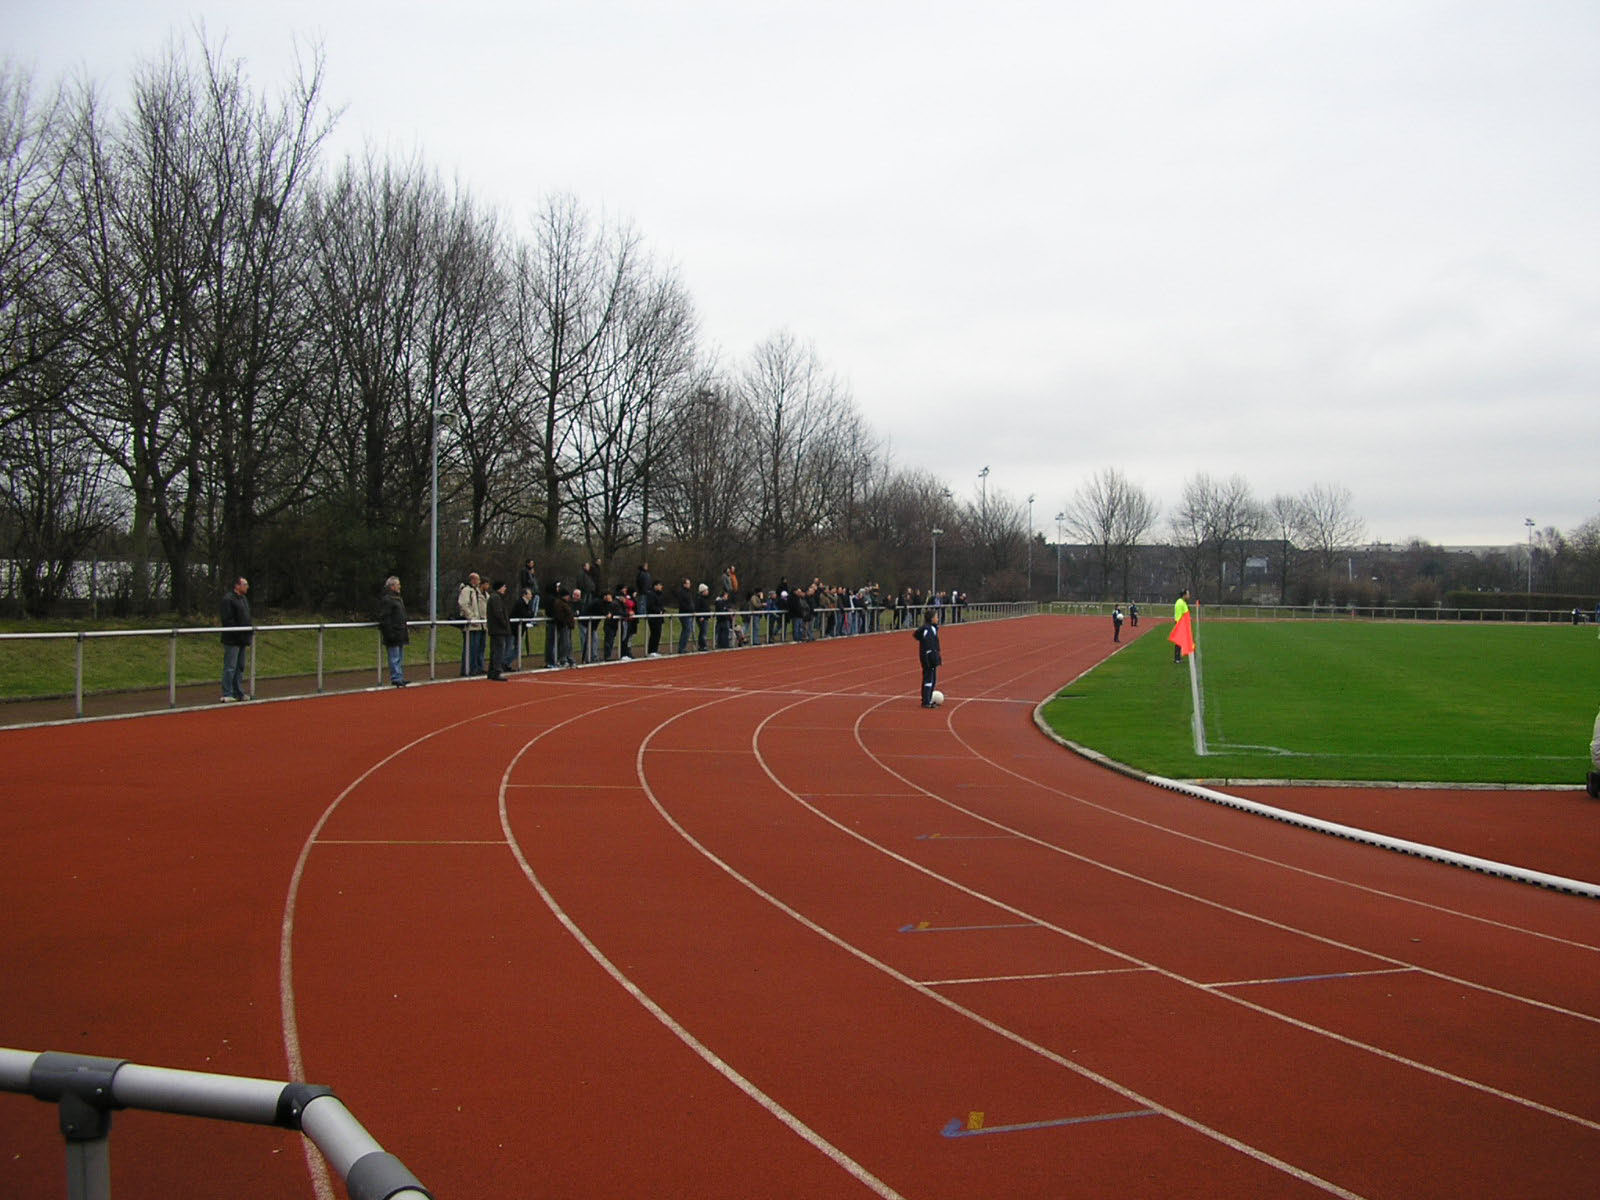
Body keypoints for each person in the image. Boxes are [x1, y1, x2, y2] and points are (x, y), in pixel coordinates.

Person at [219, 576, 252, 701]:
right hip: (232, 639)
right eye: (245, 584)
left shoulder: (244, 599)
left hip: (242, 638)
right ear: (237, 585)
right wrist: (238, 632)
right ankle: (227, 693)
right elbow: (227, 620)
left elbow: (246, 617)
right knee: (230, 667)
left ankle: (238, 692)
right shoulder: (228, 599)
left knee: (240, 666)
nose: (247, 587)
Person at [378, 575, 409, 686]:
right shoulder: (388, 599)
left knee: (399, 657)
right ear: (392, 586)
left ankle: (399, 676)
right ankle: (396, 677)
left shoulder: (397, 598)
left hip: (400, 632)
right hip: (393, 632)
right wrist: (389, 632)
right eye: (398, 584)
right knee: (394, 657)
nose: (400, 586)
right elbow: (385, 618)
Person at [458, 572, 486, 675]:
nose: (479, 582)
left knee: (478, 648)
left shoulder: (477, 591)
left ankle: (477, 668)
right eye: (478, 579)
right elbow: (463, 604)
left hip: (480, 624)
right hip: (471, 625)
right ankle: (468, 669)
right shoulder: (466, 590)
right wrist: (472, 617)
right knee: (471, 648)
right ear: (473, 580)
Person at [913, 608, 942, 708]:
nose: (938, 619)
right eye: (936, 617)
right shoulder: (928, 629)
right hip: (929, 658)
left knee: (932, 678)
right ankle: (926, 701)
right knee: (929, 679)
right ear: (931, 618)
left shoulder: (931, 628)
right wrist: (931, 657)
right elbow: (929, 645)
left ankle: (928, 698)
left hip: (930, 657)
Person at [485, 579, 512, 681]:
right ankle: (496, 671)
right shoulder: (496, 598)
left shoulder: (495, 597)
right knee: (498, 651)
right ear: (499, 588)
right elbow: (498, 613)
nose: (505, 588)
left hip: (496, 629)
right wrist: (505, 624)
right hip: (498, 629)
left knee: (494, 651)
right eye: (504, 587)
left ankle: (492, 672)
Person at [1173, 588, 1191, 663]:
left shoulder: (1182, 602)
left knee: (1180, 642)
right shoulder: (1180, 603)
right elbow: (1179, 616)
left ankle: (1178, 657)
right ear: (1184, 595)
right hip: (1180, 624)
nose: (1189, 595)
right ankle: (1177, 659)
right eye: (1188, 594)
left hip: (1182, 624)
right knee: (1178, 642)